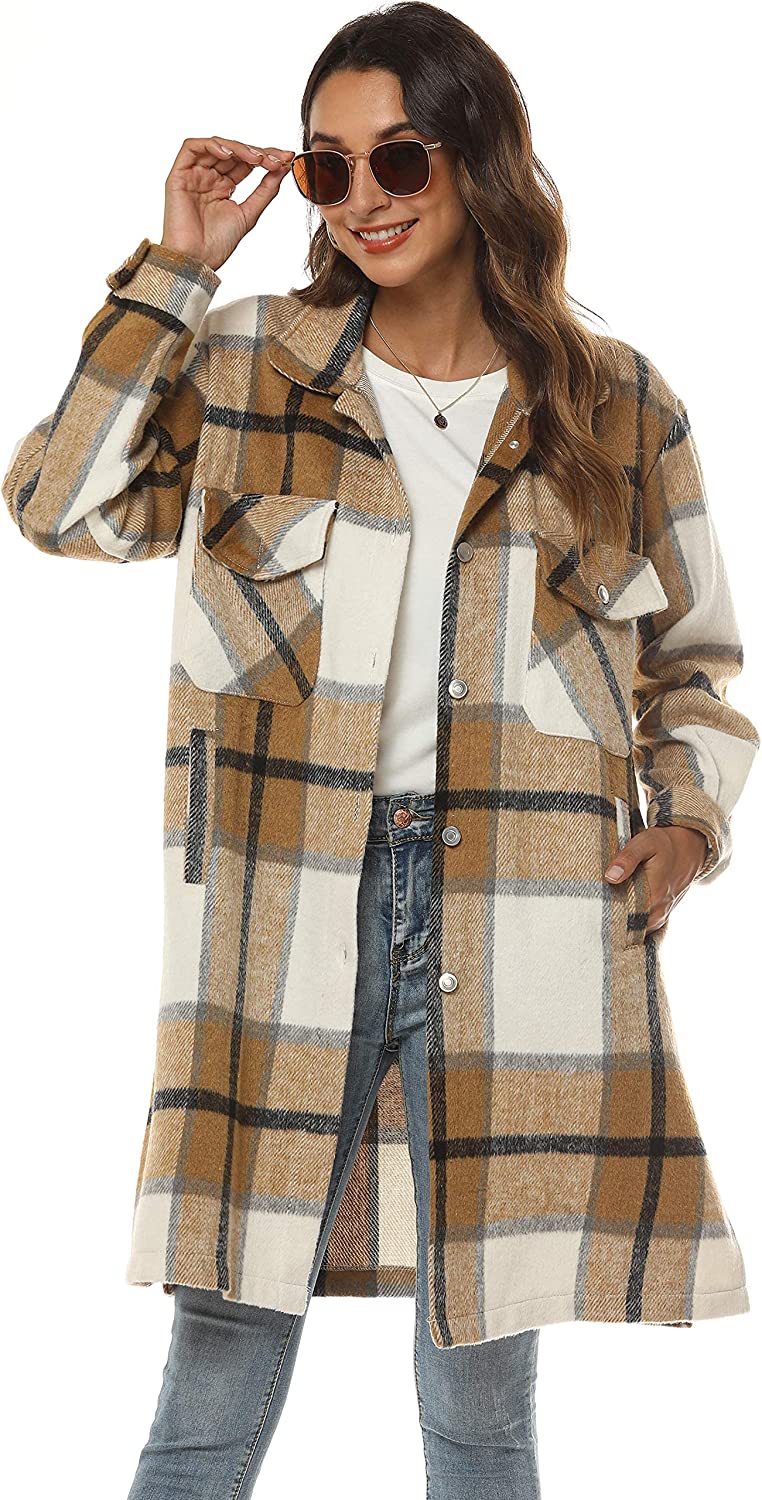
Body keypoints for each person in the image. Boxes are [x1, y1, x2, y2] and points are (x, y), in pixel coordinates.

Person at [3, 5, 758, 1497]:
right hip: (290, 896)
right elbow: (55, 503)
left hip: (528, 909)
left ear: (476, 156)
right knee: (224, 1337)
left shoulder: (613, 404)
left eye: (398, 157)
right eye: (327, 167)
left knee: (481, 1370)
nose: (364, 198)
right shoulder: (246, 364)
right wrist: (175, 270)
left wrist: (684, 823)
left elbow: (697, 663)